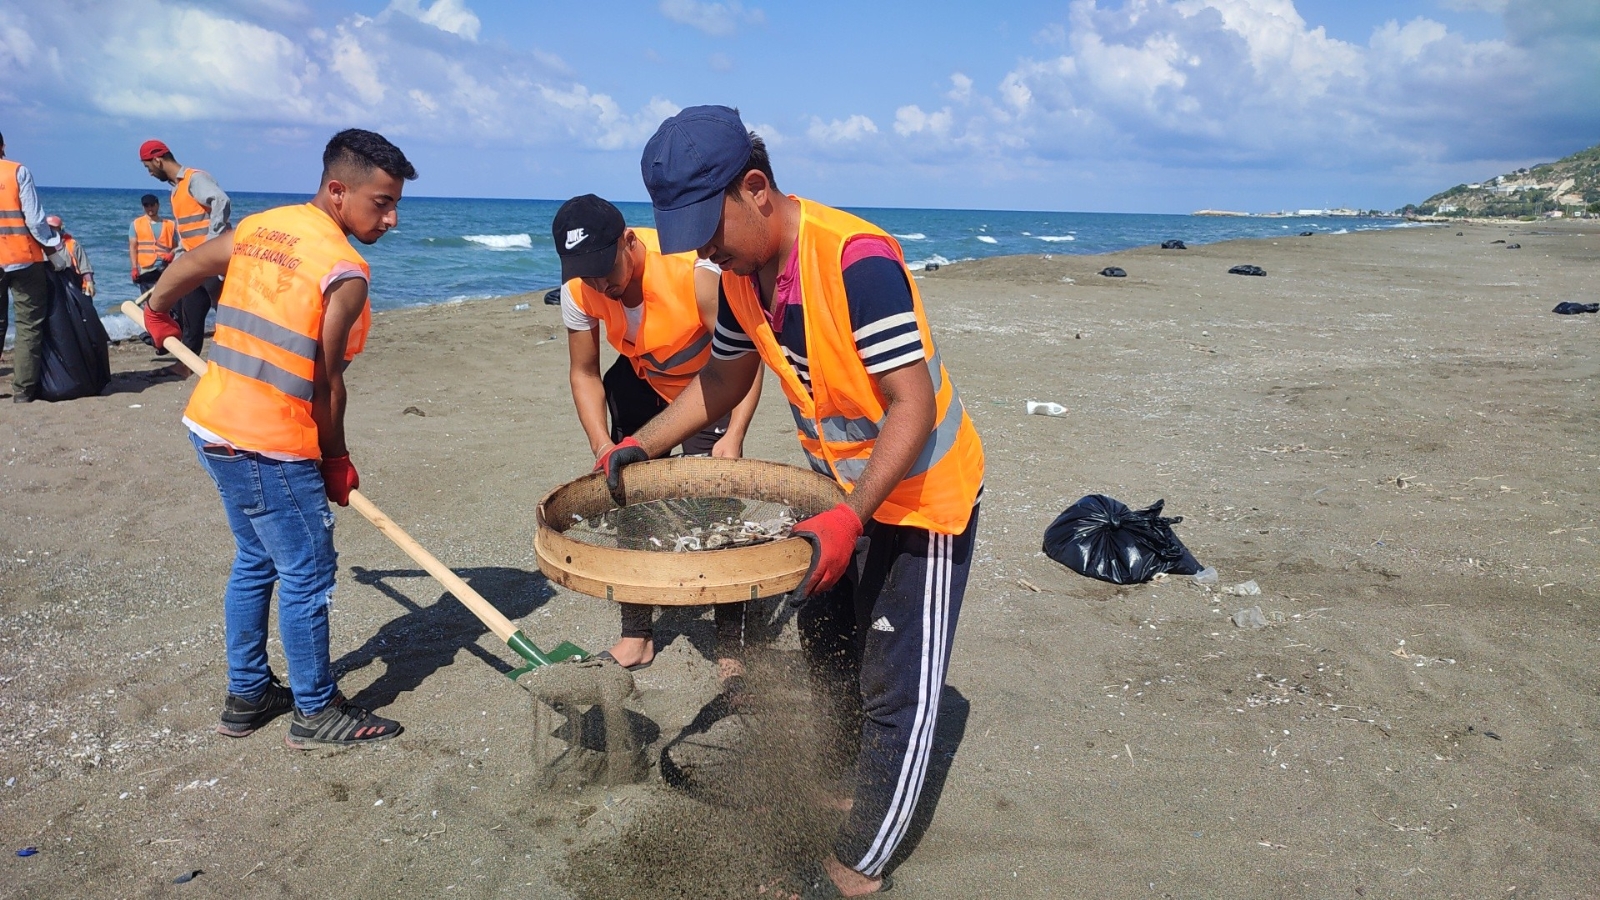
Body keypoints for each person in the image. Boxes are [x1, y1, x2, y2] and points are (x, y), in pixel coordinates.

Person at [603, 106, 984, 897]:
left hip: (919, 500)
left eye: (711, 230)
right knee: (827, 648)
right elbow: (725, 380)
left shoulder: (856, 262)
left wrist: (852, 516)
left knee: (896, 690)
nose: (705, 252)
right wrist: (644, 442)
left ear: (757, 189)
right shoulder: (745, 280)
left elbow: (908, 407)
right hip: (841, 497)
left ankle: (857, 865)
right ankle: (845, 789)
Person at [142, 129, 416, 749]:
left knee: (257, 559)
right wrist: (336, 457)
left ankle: (248, 694)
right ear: (338, 191)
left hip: (210, 423)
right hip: (269, 442)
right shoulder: (345, 272)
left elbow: (189, 263)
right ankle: (316, 711)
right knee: (307, 570)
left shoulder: (263, 227)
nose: (392, 218)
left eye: (396, 203)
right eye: (381, 203)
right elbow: (326, 383)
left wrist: (157, 309)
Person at [553, 193, 763, 680]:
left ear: (629, 241)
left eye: (607, 268)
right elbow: (583, 371)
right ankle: (636, 637)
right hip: (643, 380)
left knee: (714, 506)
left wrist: (733, 436)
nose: (601, 284)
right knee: (626, 490)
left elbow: (748, 363)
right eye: (587, 274)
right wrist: (603, 444)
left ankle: (731, 649)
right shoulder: (578, 291)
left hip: (709, 388)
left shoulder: (695, 274)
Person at [139, 139, 231, 366]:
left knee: (228, 315)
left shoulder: (194, 179)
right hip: (196, 266)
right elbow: (187, 235)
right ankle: (186, 366)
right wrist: (177, 263)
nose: (149, 172)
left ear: (158, 160)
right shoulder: (176, 191)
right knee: (189, 315)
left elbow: (221, 201)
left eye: (147, 166)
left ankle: (236, 362)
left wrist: (211, 246)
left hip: (213, 264)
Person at [0, 131, 72, 403]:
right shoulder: (17, 172)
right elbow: (35, 220)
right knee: (28, 325)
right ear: (3, 145)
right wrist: (54, 248)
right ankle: (23, 391)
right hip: (22, 260)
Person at [128, 193, 177, 293]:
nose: (150, 208)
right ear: (143, 207)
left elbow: (180, 245)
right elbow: (133, 247)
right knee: (148, 299)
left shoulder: (170, 225)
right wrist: (134, 268)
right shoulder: (136, 224)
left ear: (157, 205)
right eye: (147, 206)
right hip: (146, 268)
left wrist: (172, 254)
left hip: (165, 267)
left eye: (152, 205)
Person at [45, 215, 95, 297]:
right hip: (50, 287)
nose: (51, 230)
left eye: (54, 228)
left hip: (72, 285)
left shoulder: (72, 245)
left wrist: (89, 282)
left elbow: (84, 266)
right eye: (48, 227)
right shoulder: (41, 247)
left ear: (60, 229)